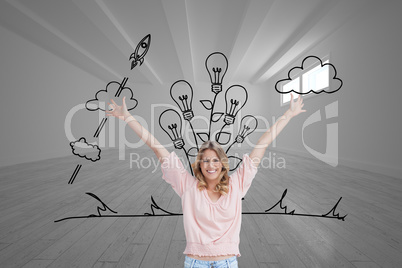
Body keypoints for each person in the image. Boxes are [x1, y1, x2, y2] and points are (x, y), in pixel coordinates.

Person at [106, 94, 306, 268]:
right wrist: (127, 117)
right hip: (195, 262)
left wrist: (288, 114)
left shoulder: (237, 184)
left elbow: (263, 143)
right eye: (206, 160)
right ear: (199, 165)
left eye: (215, 160)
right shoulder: (187, 185)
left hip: (227, 262)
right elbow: (158, 149)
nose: (211, 165)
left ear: (222, 163)